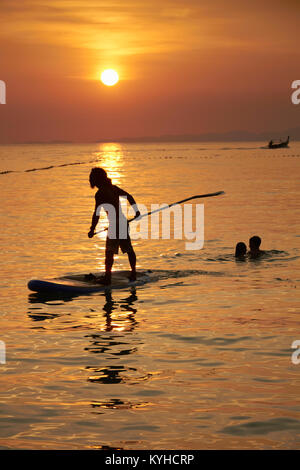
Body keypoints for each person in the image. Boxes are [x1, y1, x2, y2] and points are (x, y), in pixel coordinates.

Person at [88, 167, 140, 285]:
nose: (90, 180)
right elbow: (129, 196)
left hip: (115, 224)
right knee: (128, 249)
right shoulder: (114, 188)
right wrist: (136, 211)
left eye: (92, 178)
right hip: (122, 222)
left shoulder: (100, 193)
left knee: (109, 252)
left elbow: (96, 213)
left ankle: (107, 278)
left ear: (97, 180)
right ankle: (133, 273)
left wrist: (92, 229)